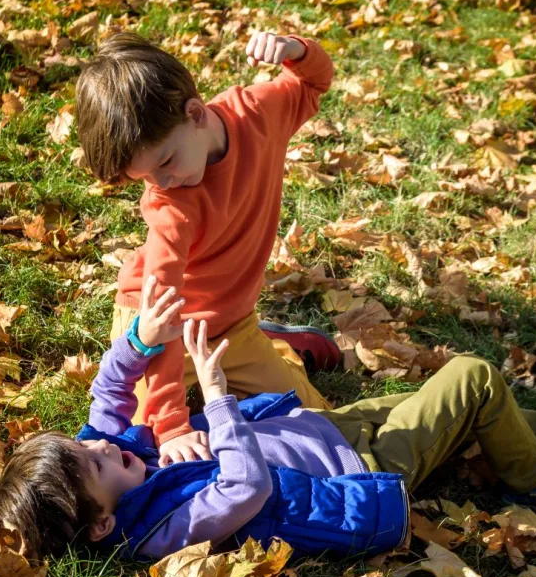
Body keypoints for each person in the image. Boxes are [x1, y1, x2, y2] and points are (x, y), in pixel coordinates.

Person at [0, 281, 536, 562]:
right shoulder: (161, 526)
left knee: (454, 403)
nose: (104, 445)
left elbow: (107, 398)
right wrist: (215, 400)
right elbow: (246, 489)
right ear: (102, 521)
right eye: (95, 463)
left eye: (87, 445)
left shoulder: (124, 469)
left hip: (323, 431)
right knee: (473, 378)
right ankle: (534, 481)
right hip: (362, 473)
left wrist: (141, 339)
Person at [74, 29, 342, 468]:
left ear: (196, 114)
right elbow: (158, 325)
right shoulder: (168, 208)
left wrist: (295, 50)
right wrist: (173, 425)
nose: (160, 184)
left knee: (314, 421)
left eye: (165, 162)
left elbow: (313, 83)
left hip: (230, 323)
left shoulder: (258, 113)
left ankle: (277, 346)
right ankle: (248, 356)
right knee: (143, 446)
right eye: (144, 177)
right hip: (158, 330)